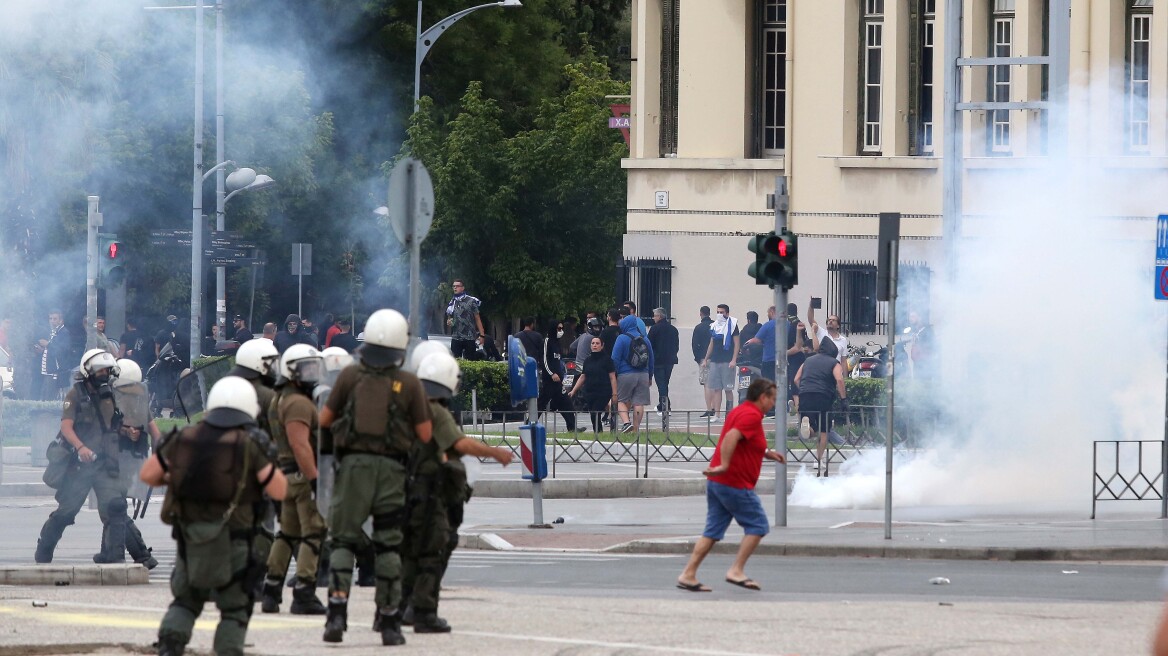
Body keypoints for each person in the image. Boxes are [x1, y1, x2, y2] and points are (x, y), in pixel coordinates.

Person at [142, 376, 287, 656]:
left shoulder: (184, 438)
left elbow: (149, 474)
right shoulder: (249, 444)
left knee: (185, 602)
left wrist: (181, 478)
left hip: (190, 541)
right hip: (235, 543)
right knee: (234, 610)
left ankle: (170, 647)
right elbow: (279, 489)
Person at [317, 309, 433, 646]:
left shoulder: (350, 376)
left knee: (342, 540)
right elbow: (425, 434)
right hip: (393, 470)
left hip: (352, 467)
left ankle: (336, 614)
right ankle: (389, 622)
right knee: (388, 544)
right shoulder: (409, 383)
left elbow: (325, 418)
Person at [398, 352, 513, 633]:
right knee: (435, 548)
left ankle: (401, 608)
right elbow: (459, 444)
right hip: (428, 492)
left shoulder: (408, 406)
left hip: (405, 489)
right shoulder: (435, 411)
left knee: (410, 552)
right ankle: (424, 611)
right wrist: (494, 453)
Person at [676, 378, 785, 593]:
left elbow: (746, 440)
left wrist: (766, 453)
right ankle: (736, 570)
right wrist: (725, 465)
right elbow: (731, 437)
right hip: (734, 483)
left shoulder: (740, 411)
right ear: (762, 397)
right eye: (772, 399)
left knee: (712, 532)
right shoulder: (751, 415)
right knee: (758, 526)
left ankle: (688, 574)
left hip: (718, 483)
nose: (774, 403)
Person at [35, 349, 136, 564]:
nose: (105, 374)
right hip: (79, 466)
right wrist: (81, 448)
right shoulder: (75, 394)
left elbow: (112, 426)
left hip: (104, 464)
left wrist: (128, 431)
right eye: (101, 370)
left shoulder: (110, 396)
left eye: (108, 370)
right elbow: (66, 427)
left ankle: (117, 556)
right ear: (88, 371)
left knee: (114, 509)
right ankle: (44, 549)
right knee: (66, 512)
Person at [260, 343, 328, 615]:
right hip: (301, 475)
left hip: (287, 474)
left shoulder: (280, 398)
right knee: (313, 532)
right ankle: (304, 592)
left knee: (287, 534)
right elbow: (301, 444)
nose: (313, 372)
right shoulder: (298, 402)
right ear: (291, 371)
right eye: (307, 368)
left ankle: (271, 589)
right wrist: (315, 479)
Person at [92, 358, 161, 568]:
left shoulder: (114, 400)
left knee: (113, 508)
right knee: (113, 506)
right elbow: (155, 433)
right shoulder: (140, 400)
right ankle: (107, 550)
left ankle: (142, 555)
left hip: (117, 461)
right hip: (135, 463)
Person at [227, 338, 280, 584]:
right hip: (260, 468)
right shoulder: (268, 395)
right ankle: (256, 576)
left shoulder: (227, 387)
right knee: (264, 525)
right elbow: (279, 434)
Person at [793, 338, 847, 476]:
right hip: (823, 397)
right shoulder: (834, 362)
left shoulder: (808, 360)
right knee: (824, 430)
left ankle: (808, 428)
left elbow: (796, 379)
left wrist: (804, 390)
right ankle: (818, 460)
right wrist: (843, 399)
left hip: (805, 395)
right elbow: (839, 379)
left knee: (812, 429)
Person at [611, 314, 654, 433]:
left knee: (621, 400)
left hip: (625, 374)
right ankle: (635, 429)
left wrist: (615, 374)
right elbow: (651, 359)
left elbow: (615, 358)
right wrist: (650, 375)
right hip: (643, 374)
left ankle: (626, 423)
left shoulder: (621, 338)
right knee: (639, 402)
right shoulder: (645, 339)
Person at [568, 336, 618, 433]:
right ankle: (598, 433)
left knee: (595, 412)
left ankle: (599, 433)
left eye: (597, 343)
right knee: (593, 414)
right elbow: (583, 376)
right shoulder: (587, 360)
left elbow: (612, 377)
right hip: (590, 392)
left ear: (602, 345)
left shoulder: (607, 360)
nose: (595, 345)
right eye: (593, 343)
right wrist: (573, 390)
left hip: (603, 391)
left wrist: (614, 393)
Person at [701, 304, 740, 418]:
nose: (720, 314)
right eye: (718, 312)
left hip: (727, 361)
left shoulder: (733, 325)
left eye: (722, 312)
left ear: (727, 313)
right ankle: (717, 414)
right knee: (717, 389)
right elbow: (711, 344)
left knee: (728, 389)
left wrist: (733, 360)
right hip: (715, 360)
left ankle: (729, 414)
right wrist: (706, 359)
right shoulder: (714, 325)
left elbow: (737, 344)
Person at [539, 319, 577, 432]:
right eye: (559, 329)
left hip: (559, 381)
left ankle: (572, 428)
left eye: (562, 329)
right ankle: (529, 424)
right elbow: (544, 360)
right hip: (550, 381)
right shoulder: (547, 341)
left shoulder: (557, 343)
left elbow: (558, 362)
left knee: (567, 404)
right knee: (541, 404)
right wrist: (551, 374)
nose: (561, 331)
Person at [647, 308, 679, 416]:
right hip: (670, 360)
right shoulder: (673, 329)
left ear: (659, 317)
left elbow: (649, 345)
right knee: (665, 383)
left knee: (661, 384)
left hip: (658, 360)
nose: (653, 318)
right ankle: (663, 404)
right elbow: (676, 346)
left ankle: (665, 407)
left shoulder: (654, 329)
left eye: (655, 316)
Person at [445, 279, 485, 359]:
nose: (455, 288)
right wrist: (449, 322)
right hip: (456, 337)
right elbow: (450, 317)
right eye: (454, 286)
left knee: (470, 361)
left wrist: (482, 335)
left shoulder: (471, 301)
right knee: (455, 361)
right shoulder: (453, 301)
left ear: (463, 288)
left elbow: (477, 318)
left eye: (457, 286)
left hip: (469, 337)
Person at [36, 310, 67, 401]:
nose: (52, 321)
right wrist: (43, 350)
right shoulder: (53, 332)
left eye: (55, 319)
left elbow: (63, 350)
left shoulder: (64, 333)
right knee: (45, 396)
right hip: (48, 372)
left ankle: (48, 414)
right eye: (50, 318)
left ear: (61, 320)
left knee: (49, 397)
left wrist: (48, 344)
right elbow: (52, 350)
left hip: (54, 372)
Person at [691, 306, 713, 393]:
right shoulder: (715, 325)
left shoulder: (698, 327)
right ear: (709, 313)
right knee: (715, 385)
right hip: (716, 358)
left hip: (703, 358)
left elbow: (694, 345)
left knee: (706, 384)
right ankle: (715, 405)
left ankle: (709, 405)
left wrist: (697, 358)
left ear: (700, 314)